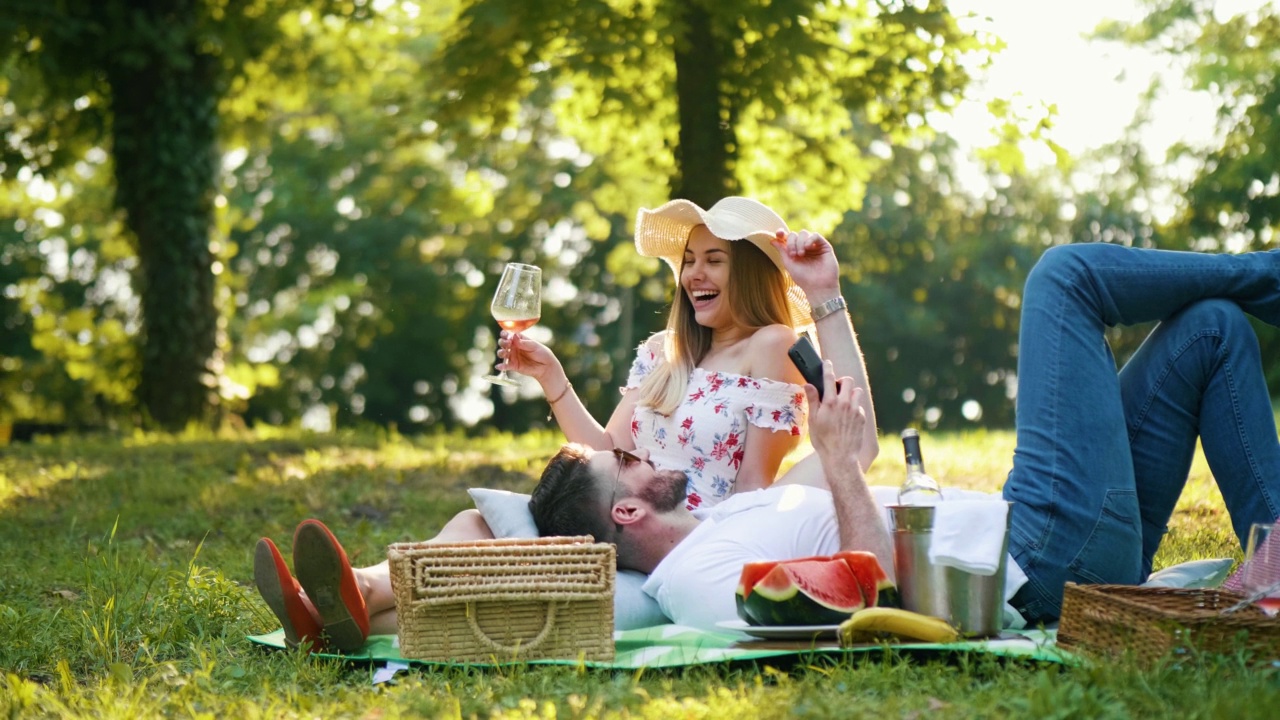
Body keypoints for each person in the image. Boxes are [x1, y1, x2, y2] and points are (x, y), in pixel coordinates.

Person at [253, 199, 884, 649]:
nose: (694, 275)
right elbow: (610, 453)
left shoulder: (772, 344)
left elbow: (764, 483)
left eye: (714, 260)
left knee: (517, 565)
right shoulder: (663, 353)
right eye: (690, 260)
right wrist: (554, 381)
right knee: (478, 525)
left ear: (747, 270)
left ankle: (335, 606)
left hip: (675, 539)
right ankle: (345, 599)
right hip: (615, 511)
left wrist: (826, 296)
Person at [1002, 242, 1280, 623]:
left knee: (1214, 326)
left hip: (1060, 545)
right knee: (1065, 276)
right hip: (1036, 553)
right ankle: (1269, 273)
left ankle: (1275, 563)